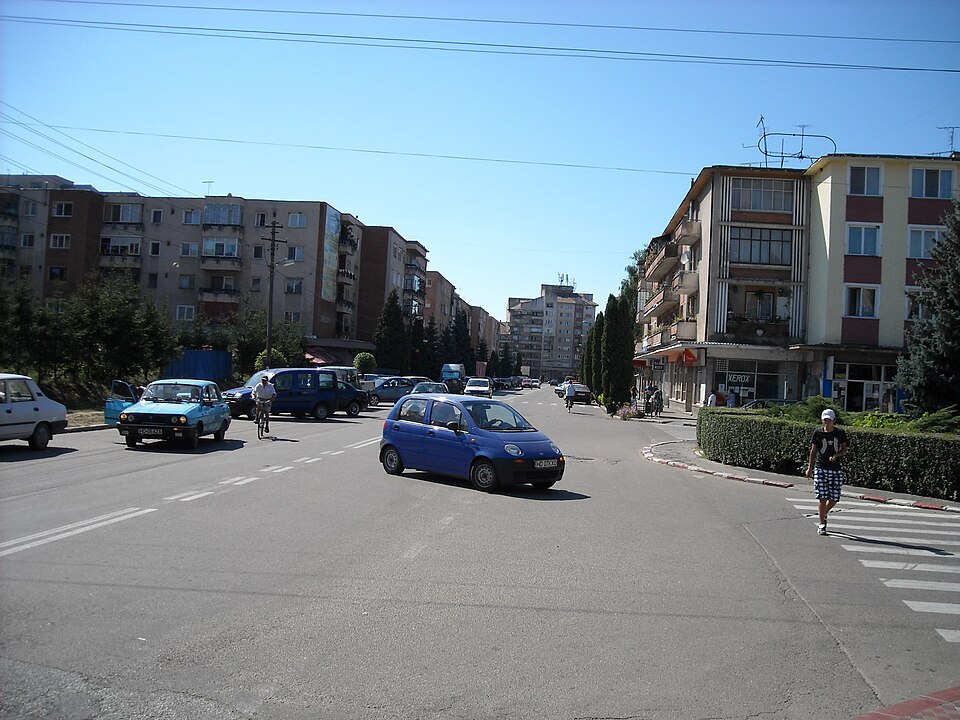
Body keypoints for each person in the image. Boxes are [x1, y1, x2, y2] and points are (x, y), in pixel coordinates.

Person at [805, 408, 849, 535]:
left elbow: (845, 449)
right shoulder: (818, 433)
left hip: (835, 469)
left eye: (829, 420)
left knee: (834, 498)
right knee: (822, 497)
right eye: (825, 419)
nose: (826, 422)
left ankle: (823, 513)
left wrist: (837, 455)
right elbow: (813, 451)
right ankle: (822, 523)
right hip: (821, 468)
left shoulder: (840, 433)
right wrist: (810, 468)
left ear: (834, 420)